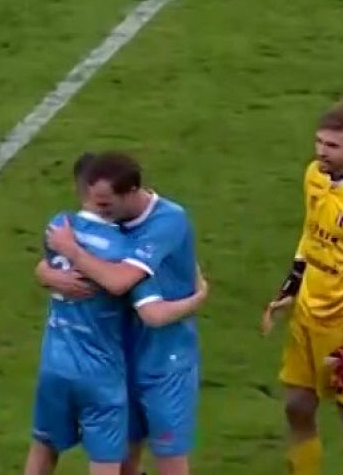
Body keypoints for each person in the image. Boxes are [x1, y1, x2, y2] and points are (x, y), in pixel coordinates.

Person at [26, 157, 208, 475]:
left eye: (106, 204)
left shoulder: (168, 221)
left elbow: (121, 282)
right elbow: (48, 265)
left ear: (131, 192)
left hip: (165, 360)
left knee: (169, 459)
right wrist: (51, 276)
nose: (99, 210)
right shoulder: (111, 231)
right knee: (124, 459)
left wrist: (197, 300)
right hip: (120, 356)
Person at [262, 104, 343, 475]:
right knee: (297, 406)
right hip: (308, 314)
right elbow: (312, 231)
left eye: (332, 146)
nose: (321, 152)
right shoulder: (315, 176)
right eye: (319, 142)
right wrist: (293, 282)